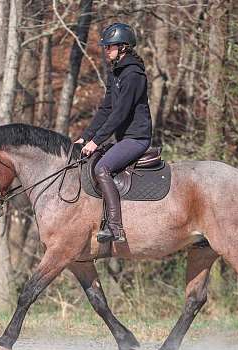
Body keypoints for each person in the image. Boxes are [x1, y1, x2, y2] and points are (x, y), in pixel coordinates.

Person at [75, 22, 152, 243]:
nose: (106, 50)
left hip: (137, 138)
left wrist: (97, 141)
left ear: (124, 47)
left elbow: (119, 113)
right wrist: (87, 136)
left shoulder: (133, 75)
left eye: (110, 46)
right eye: (106, 47)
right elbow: (106, 109)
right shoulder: (116, 73)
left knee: (102, 168)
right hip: (123, 138)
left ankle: (115, 227)